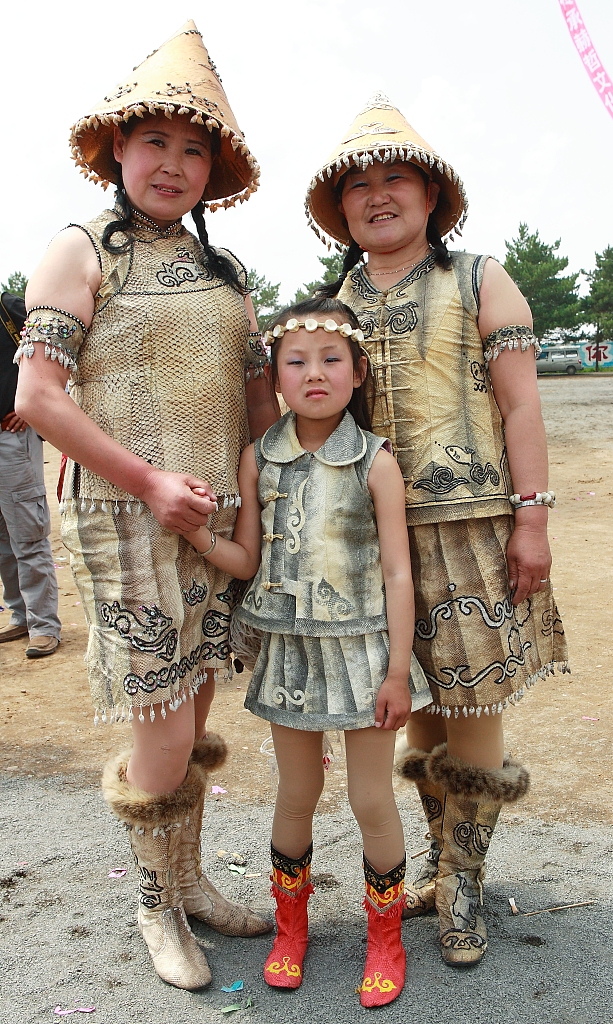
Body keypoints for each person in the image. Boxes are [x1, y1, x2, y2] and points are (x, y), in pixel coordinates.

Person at [15, 22, 279, 991]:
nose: (173, 164)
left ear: (214, 166)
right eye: (154, 142)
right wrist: (151, 483)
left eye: (193, 147)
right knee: (161, 727)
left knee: (199, 702)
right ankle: (152, 903)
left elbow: (258, 407)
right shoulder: (78, 251)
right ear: (117, 149)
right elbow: (39, 399)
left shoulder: (227, 276)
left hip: (213, 525)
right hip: (125, 524)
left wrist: (267, 502)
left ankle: (191, 877)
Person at [304, 93, 568, 967]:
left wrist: (530, 517)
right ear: (339, 210)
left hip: (472, 529)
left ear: (430, 197)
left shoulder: (478, 277)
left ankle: (465, 888)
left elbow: (521, 403)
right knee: (409, 705)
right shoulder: (327, 305)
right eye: (359, 186)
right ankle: (431, 864)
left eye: (396, 180)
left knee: (473, 706)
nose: (377, 196)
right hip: (367, 541)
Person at [183, 296, 431, 1007]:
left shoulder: (374, 461)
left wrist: (393, 671)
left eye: (331, 360)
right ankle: (290, 930)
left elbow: (396, 571)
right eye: (296, 361)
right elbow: (247, 559)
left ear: (357, 371)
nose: (313, 374)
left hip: (362, 656)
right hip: (287, 652)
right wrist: (201, 536)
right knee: (297, 793)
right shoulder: (258, 459)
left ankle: (383, 938)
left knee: (369, 798)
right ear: (276, 375)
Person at [0, 291, 61, 657]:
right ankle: (20, 616)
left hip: (12, 436)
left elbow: (52, 347)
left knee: (27, 533)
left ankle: (43, 625)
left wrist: (32, 404)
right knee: (2, 539)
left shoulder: (11, 308)